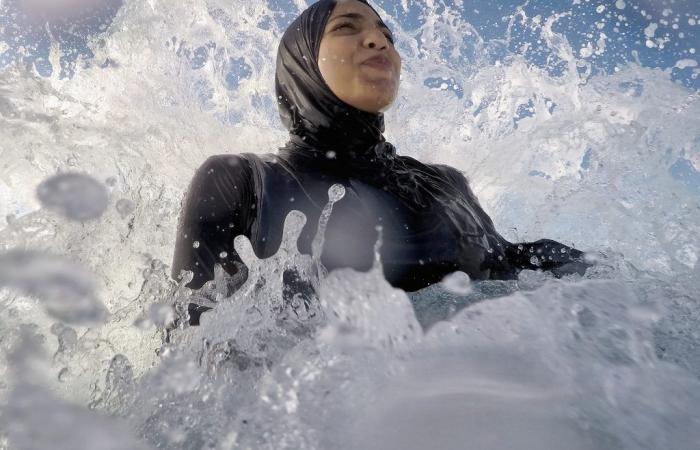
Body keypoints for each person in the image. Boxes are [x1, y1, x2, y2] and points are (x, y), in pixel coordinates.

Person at [171, 0, 589, 323]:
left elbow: (513, 269)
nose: (378, 40)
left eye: (385, 33)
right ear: (301, 63)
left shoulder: (446, 184)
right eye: (346, 28)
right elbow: (194, 347)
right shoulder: (241, 181)